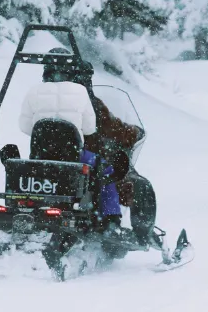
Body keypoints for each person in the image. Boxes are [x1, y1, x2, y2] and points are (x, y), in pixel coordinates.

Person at [18, 48, 142, 242]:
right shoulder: (80, 91)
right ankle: (111, 221)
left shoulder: (33, 92)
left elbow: (25, 127)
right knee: (106, 170)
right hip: (73, 157)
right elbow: (90, 128)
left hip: (41, 157)